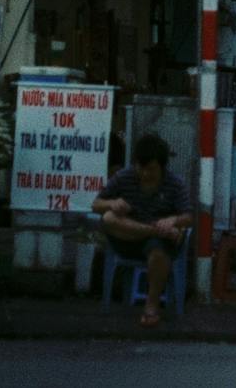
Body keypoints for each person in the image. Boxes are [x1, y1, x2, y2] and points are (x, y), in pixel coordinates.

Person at [92, 133, 192, 327]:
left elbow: (189, 217)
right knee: (108, 217)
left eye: (151, 169)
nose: (145, 174)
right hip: (128, 238)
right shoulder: (124, 176)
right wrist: (113, 203)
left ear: (162, 167)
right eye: (141, 168)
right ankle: (153, 231)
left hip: (157, 244)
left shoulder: (175, 184)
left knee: (159, 252)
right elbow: (96, 205)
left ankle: (151, 305)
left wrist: (173, 219)